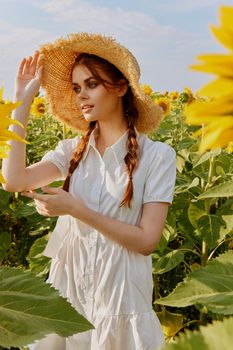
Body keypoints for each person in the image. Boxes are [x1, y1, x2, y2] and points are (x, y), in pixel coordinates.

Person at [2, 32, 176, 350]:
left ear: (121, 87)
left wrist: (75, 209)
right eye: (77, 87)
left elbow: (147, 241)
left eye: (91, 84)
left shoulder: (157, 156)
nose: (82, 95)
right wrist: (21, 103)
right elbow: (12, 180)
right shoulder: (71, 151)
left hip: (120, 298)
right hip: (70, 293)